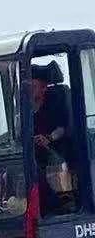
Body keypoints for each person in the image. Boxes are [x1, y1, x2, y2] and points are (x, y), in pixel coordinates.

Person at [32, 64, 76, 213]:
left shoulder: (57, 99)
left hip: (56, 143)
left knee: (57, 162)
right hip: (33, 147)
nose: (29, 90)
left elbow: (63, 127)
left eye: (35, 86)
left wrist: (48, 138)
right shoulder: (25, 105)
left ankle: (65, 199)